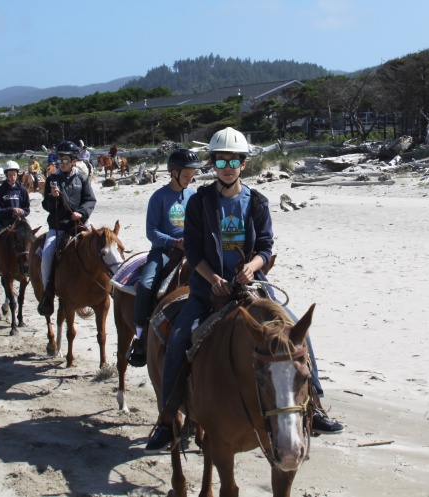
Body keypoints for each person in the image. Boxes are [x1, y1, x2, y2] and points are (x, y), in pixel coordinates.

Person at [145, 127, 344, 454]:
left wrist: (252, 267)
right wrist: (213, 280)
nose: (227, 166)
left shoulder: (258, 202)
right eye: (221, 159)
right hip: (207, 290)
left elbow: (265, 246)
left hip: (253, 286)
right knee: (180, 335)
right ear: (213, 163)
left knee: (299, 334)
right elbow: (194, 251)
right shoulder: (200, 202)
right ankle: (168, 419)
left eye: (233, 160)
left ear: (243, 163)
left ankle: (316, 406)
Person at [126, 149, 201, 367]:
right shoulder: (158, 197)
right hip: (164, 251)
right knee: (147, 284)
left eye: (192, 175)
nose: (190, 178)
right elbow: (152, 232)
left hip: (192, 250)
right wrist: (174, 242)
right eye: (186, 175)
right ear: (174, 173)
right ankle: (140, 335)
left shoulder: (193, 195)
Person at [37, 141, 97, 316]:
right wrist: (53, 198)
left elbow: (90, 200)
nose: (62, 164)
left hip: (79, 224)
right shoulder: (52, 180)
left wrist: (81, 213)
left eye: (65, 160)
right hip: (59, 226)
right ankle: (47, 292)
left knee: (101, 248)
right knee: (47, 254)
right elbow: (47, 206)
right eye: (59, 160)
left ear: (73, 161)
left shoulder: (82, 179)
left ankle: (104, 286)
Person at [0, 161, 31, 284]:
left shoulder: (22, 190)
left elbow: (27, 209)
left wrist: (22, 212)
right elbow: (0, 210)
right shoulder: (0, 190)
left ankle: (32, 265)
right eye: (10, 175)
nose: (12, 177)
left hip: (19, 222)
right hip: (3, 221)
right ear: (6, 175)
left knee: (31, 239)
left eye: (14, 174)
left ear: (17, 175)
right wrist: (12, 210)